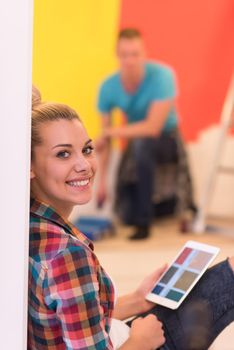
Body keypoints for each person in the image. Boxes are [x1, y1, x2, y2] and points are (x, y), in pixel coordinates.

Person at [28, 94, 234, 349]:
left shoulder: (29, 225)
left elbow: (70, 322)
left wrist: (137, 300)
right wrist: (141, 341)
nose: (83, 164)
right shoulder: (67, 254)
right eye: (63, 154)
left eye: (87, 149)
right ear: (28, 165)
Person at [96, 28, 196, 240]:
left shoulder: (163, 75)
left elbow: (152, 128)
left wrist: (110, 132)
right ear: (117, 55)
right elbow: (103, 141)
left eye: (135, 54)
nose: (130, 60)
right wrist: (101, 182)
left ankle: (144, 223)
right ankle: (148, 213)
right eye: (124, 55)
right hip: (136, 141)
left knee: (143, 144)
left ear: (144, 54)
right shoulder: (107, 86)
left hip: (167, 138)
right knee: (126, 214)